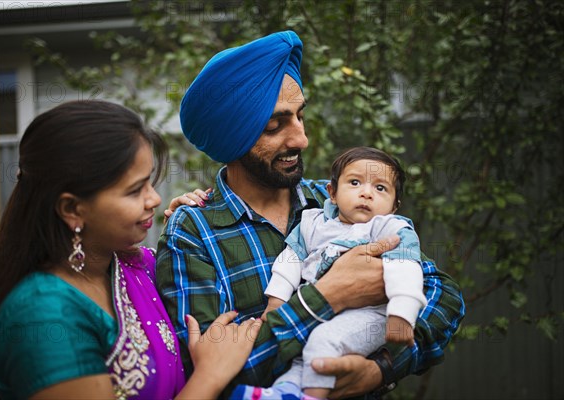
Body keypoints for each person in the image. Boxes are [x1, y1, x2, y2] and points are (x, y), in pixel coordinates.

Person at [157, 30, 465, 398]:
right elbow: (208, 375)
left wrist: (380, 368)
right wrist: (326, 296)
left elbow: (444, 298)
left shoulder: (336, 200)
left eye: (300, 116)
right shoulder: (193, 233)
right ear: (231, 138)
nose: (300, 139)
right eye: (275, 125)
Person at [0, 100, 262, 400]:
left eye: (150, 183)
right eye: (134, 190)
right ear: (72, 209)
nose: (153, 199)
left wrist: (188, 230)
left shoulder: (135, 267)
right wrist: (210, 376)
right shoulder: (42, 318)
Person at [233, 146, 428, 400]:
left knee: (323, 341)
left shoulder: (389, 228)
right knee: (301, 353)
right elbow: (290, 259)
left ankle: (313, 396)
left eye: (380, 188)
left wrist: (402, 314)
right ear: (332, 193)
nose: (366, 193)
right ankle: (285, 391)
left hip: (370, 315)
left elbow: (407, 267)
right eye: (355, 182)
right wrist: (276, 301)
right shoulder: (313, 223)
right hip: (324, 310)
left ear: (394, 206)